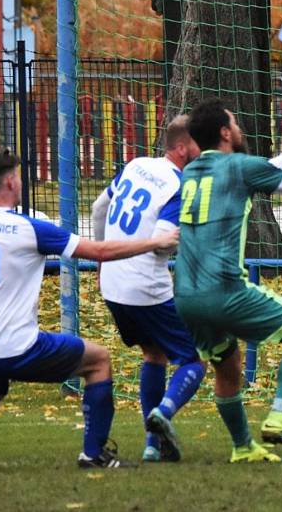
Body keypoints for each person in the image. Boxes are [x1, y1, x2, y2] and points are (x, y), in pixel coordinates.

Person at [0, 150, 179, 472]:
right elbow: (98, 250)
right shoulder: (31, 229)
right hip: (17, 347)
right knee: (98, 361)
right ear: (11, 182)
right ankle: (93, 454)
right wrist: (154, 242)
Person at [173, 99, 282, 464]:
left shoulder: (193, 171)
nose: (239, 128)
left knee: (227, 367)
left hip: (185, 294)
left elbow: (264, 170)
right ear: (226, 132)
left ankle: (242, 446)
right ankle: (278, 418)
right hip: (224, 289)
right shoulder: (239, 166)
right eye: (235, 123)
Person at [91, 115, 206, 463]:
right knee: (192, 360)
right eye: (201, 143)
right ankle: (164, 413)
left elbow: (99, 208)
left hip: (113, 283)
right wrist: (179, 241)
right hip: (146, 286)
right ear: (184, 147)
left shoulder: (136, 164)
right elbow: (160, 245)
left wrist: (102, 257)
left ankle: (152, 447)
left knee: (153, 354)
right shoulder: (178, 183)